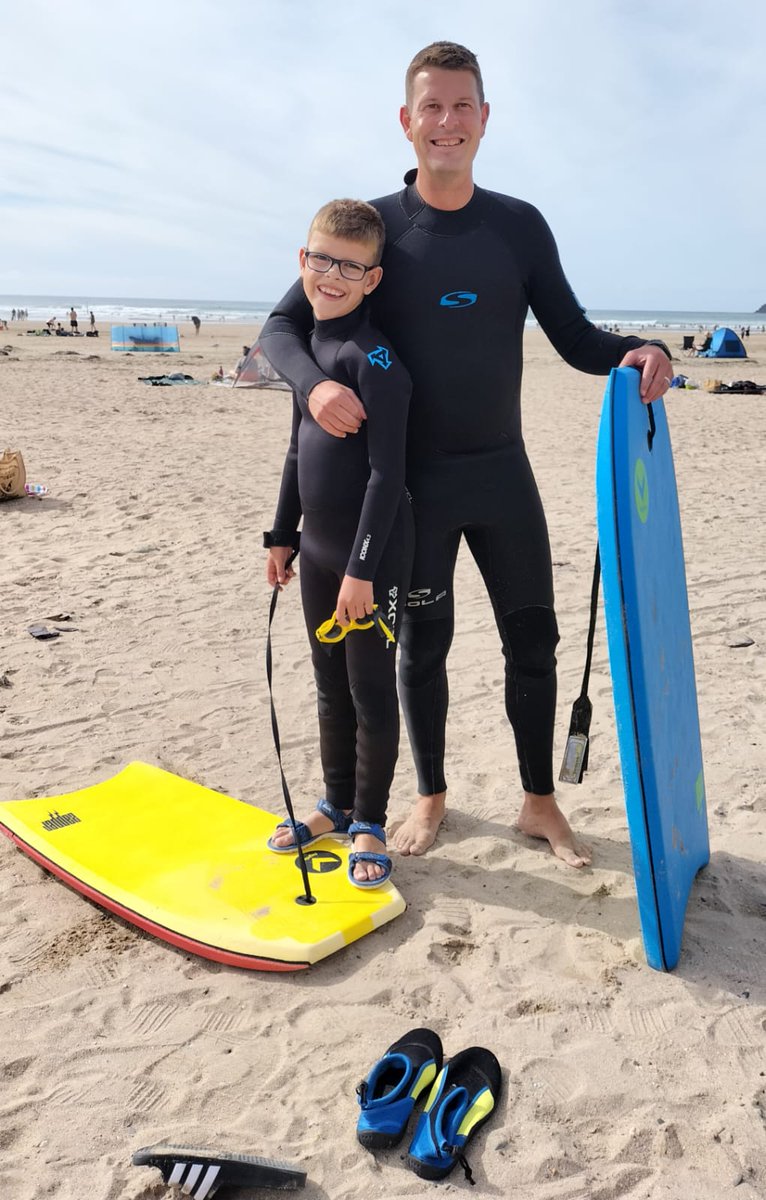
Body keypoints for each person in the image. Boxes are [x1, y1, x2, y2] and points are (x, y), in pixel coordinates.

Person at [259, 41, 673, 870]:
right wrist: (311, 388)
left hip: (501, 472)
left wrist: (645, 347)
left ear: (484, 119)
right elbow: (283, 328)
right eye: (431, 107)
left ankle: (538, 803)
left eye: (462, 107)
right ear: (406, 121)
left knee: (534, 639)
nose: (446, 122)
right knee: (423, 646)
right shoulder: (374, 230)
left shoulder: (517, 227)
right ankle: (430, 794)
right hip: (414, 491)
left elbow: (576, 336)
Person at [264, 199, 413, 888]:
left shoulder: (374, 361)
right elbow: (298, 453)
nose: (331, 275)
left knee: (369, 690)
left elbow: (388, 476)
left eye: (349, 266)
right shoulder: (311, 356)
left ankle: (371, 822)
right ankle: (335, 802)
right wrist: (281, 536)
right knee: (329, 688)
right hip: (318, 552)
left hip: (369, 560)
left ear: (371, 279)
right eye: (320, 259)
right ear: (304, 261)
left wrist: (362, 572)